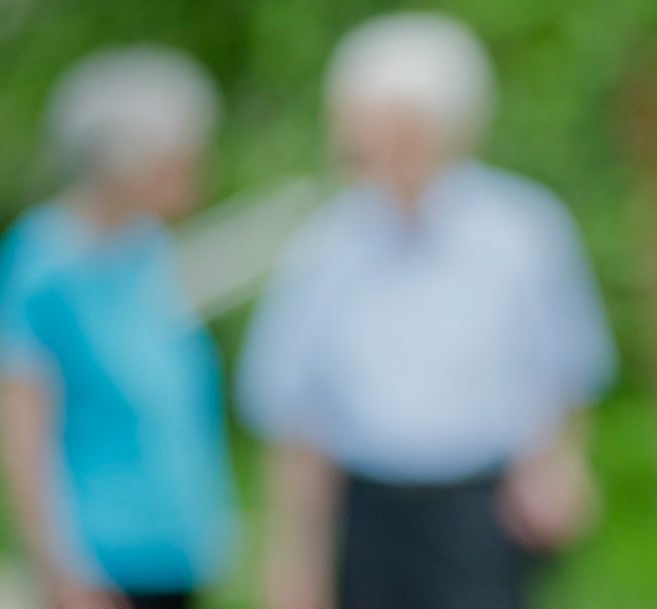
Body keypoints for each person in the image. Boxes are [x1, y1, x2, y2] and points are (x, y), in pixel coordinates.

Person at [237, 12, 614, 609]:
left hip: (480, 510)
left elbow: (564, 371)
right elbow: (296, 418)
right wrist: (294, 559)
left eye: (405, 128)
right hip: (368, 512)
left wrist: (555, 461)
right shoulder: (322, 248)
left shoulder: (522, 232)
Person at [0, 46, 234, 609]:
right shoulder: (43, 262)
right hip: (101, 563)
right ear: (129, 160)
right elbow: (21, 431)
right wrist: (61, 568)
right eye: (181, 156)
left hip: (175, 552)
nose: (197, 169)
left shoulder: (150, 250)